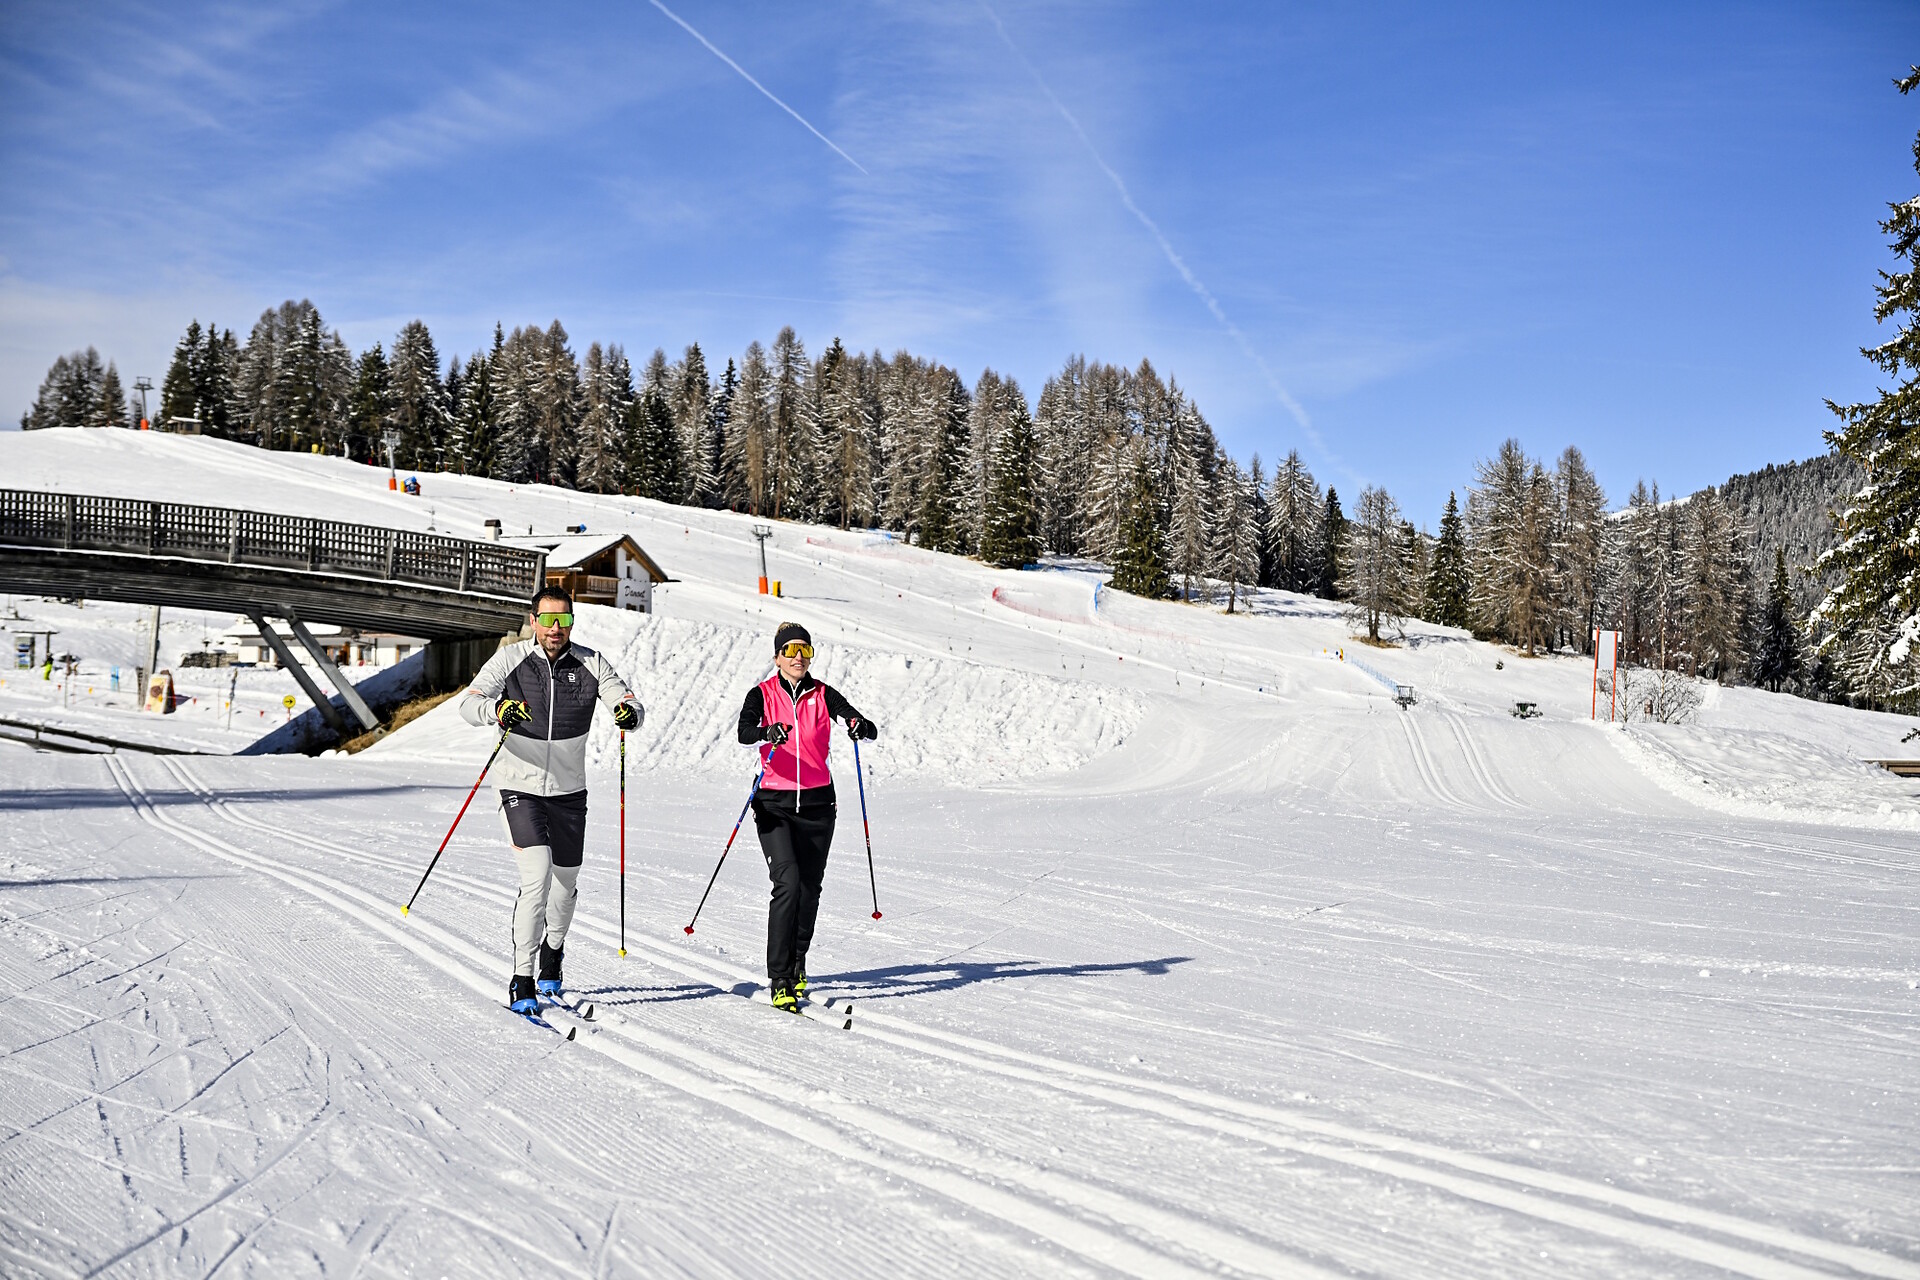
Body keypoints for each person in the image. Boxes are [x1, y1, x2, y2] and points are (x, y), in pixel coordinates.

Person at [460, 586, 642, 1014]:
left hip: (568, 791)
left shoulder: (591, 663)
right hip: (517, 784)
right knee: (537, 874)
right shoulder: (510, 659)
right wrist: (498, 710)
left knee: (564, 885)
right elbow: (470, 703)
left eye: (563, 619)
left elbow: (627, 700)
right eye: (547, 619)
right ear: (533, 621)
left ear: (572, 622)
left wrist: (629, 714)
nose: (555, 628)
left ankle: (553, 950)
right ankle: (522, 976)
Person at [735, 622, 878, 1013]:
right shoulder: (761, 694)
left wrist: (859, 725)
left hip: (818, 805)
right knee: (788, 882)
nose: (799, 657)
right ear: (778, 656)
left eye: (806, 650)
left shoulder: (823, 694)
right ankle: (780, 977)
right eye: (791, 650)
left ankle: (798, 961)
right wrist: (768, 732)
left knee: (810, 889)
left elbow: (858, 723)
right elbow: (744, 732)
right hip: (774, 804)